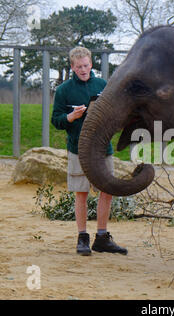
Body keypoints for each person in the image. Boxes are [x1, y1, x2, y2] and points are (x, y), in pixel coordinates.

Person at [51, 46, 127, 256]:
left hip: (103, 147)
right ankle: (82, 238)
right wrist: (70, 117)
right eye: (78, 67)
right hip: (78, 148)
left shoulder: (104, 85)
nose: (83, 69)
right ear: (72, 67)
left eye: (86, 65)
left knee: (107, 191)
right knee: (81, 193)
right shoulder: (63, 90)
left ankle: (102, 238)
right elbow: (55, 120)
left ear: (91, 64)